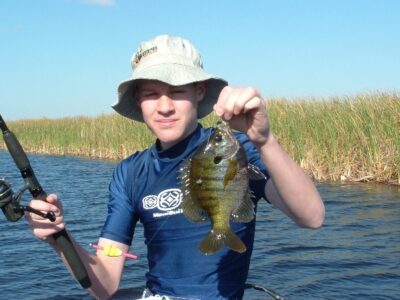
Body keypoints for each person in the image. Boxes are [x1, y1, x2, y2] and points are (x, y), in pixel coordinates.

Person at [25, 34, 325, 300]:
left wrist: (265, 140)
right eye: (151, 94)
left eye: (177, 90)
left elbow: (311, 217)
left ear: (199, 91)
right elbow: (105, 286)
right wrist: (58, 236)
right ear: (138, 102)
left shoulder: (239, 151)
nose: (165, 106)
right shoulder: (130, 173)